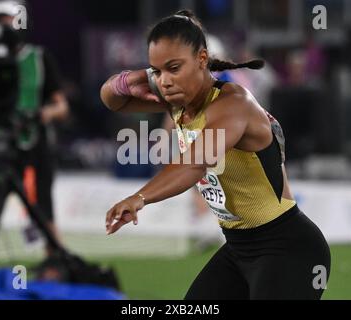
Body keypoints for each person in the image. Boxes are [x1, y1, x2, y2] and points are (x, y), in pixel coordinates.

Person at [100, 10, 330, 300]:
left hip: (288, 249)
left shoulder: (233, 103)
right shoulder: (177, 101)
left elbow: (195, 164)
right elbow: (112, 98)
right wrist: (145, 75)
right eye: (158, 71)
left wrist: (140, 197)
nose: (165, 81)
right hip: (238, 249)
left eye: (174, 68)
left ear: (202, 60)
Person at [0, 0, 69, 293]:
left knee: (43, 210)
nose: (7, 28)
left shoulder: (39, 58)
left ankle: (56, 266)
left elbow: (61, 106)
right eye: (1, 22)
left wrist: (40, 115)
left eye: (12, 21)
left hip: (35, 144)